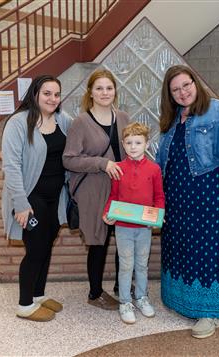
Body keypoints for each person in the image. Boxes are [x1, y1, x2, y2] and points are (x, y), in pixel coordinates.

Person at [156, 65, 219, 338]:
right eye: (176, 89)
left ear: (196, 83)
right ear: (169, 95)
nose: (183, 92)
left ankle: (209, 313)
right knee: (183, 247)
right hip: (179, 197)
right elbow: (162, 161)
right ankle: (180, 301)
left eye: (186, 85)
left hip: (211, 197)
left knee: (210, 250)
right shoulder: (171, 119)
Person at [1, 75, 71, 322]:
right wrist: (21, 205)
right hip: (31, 199)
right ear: (35, 95)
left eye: (56, 94)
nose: (52, 99)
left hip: (55, 198)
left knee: (47, 246)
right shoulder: (19, 123)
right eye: (47, 93)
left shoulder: (63, 120)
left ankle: (39, 295)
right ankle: (25, 304)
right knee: (36, 250)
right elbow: (10, 166)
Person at [63, 69, 130, 310]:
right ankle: (94, 293)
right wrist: (102, 163)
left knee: (123, 238)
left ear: (115, 91)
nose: (104, 92)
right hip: (93, 191)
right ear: (90, 92)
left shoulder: (122, 117)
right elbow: (68, 159)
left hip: (121, 190)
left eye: (109, 88)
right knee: (99, 241)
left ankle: (121, 286)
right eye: (99, 88)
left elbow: (130, 149)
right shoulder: (81, 122)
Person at [102, 122, 165, 324]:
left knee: (141, 264)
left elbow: (159, 197)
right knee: (126, 264)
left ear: (147, 144)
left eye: (138, 142)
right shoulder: (118, 168)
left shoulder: (154, 169)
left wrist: (158, 215)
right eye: (129, 142)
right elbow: (113, 196)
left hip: (144, 227)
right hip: (123, 227)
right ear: (123, 144)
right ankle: (125, 301)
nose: (133, 146)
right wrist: (107, 212)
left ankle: (141, 297)